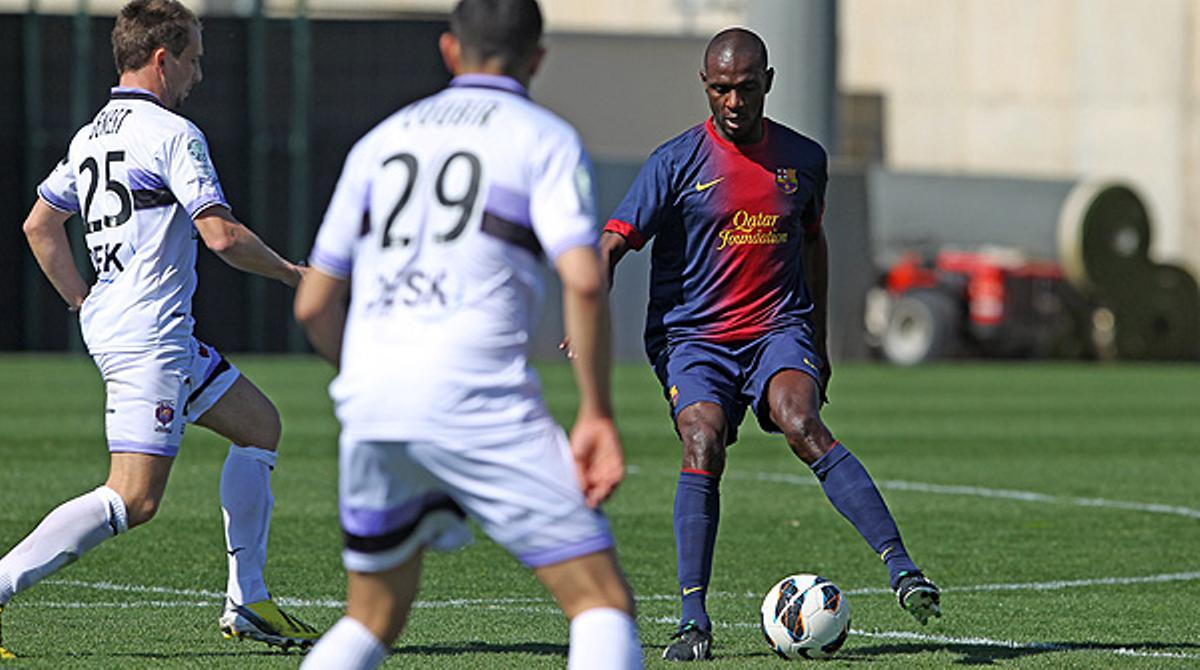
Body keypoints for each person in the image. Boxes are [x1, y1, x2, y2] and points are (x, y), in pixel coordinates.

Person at [293, 1, 642, 668]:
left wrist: (366, 368)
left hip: (371, 403)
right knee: (600, 603)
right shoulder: (543, 137)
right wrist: (596, 412)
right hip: (475, 397)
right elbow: (586, 279)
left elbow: (313, 305)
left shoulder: (379, 141)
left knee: (371, 616)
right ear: (537, 59)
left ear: (451, 51)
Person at [601, 28, 941, 662]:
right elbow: (614, 239)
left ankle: (903, 570)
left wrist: (817, 336)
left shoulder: (804, 159)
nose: (733, 102)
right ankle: (692, 622)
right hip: (693, 336)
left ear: (769, 83)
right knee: (702, 438)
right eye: (721, 90)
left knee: (801, 420)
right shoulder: (674, 163)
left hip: (777, 329)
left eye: (746, 88)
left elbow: (813, 243)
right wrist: (588, 296)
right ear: (706, 87)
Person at [0, 0, 321, 658]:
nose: (199, 74)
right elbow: (222, 236)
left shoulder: (92, 134)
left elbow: (40, 225)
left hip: (142, 327)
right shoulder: (172, 133)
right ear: (160, 58)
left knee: (259, 427)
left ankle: (247, 601)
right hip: (148, 334)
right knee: (134, 499)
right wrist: (294, 274)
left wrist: (84, 302)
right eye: (195, 59)